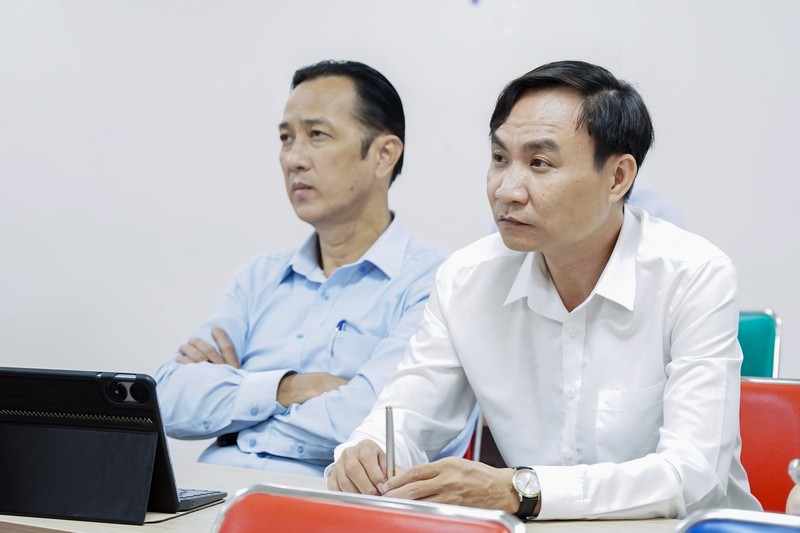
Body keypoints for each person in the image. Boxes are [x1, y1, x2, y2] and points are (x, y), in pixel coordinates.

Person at [327, 60, 762, 519]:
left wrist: (522, 490)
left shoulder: (694, 275)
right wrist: (366, 453)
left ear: (617, 178)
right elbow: (407, 417)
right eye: (500, 159)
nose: (507, 190)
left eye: (539, 163)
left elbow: (693, 477)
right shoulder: (466, 279)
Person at [154, 60, 454, 476]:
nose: (293, 158)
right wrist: (288, 387)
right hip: (212, 491)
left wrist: (237, 407)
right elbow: (165, 400)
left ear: (384, 155)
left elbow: (369, 422)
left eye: (317, 135)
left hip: (321, 499)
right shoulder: (259, 278)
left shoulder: (434, 282)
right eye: (286, 138)